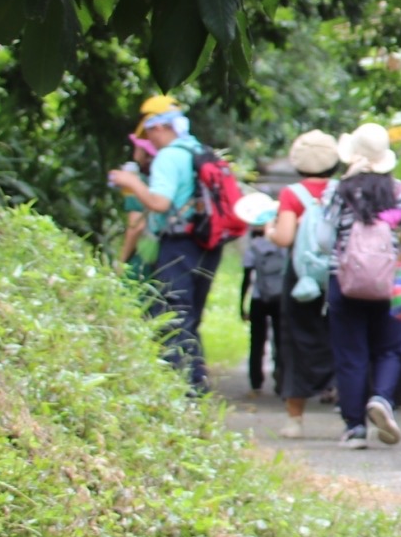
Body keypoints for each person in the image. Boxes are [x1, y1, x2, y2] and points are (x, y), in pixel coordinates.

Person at [108, 101, 223, 393]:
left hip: (179, 243)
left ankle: (183, 386)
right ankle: (196, 380)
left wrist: (131, 183)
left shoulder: (169, 157)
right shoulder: (197, 149)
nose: (149, 142)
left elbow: (160, 203)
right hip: (208, 242)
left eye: (149, 134)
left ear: (158, 126)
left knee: (174, 313)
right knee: (191, 313)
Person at [324, 123, 401, 449]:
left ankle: (354, 428)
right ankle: (382, 398)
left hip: (344, 281)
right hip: (389, 283)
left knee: (351, 353)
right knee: (389, 349)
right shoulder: (400, 192)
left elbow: (323, 240)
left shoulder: (339, 191)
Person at [269, 130, 341, 439]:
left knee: (294, 343)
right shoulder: (342, 190)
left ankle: (295, 419)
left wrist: (269, 229)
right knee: (340, 341)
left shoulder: (292, 194)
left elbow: (284, 237)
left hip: (301, 279)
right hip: (339, 275)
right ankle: (351, 417)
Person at [238, 196, 289, 395]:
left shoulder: (254, 247)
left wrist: (241, 305)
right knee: (280, 340)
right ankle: (282, 378)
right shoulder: (283, 244)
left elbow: (246, 277)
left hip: (258, 298)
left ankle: (256, 383)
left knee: (257, 341)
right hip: (280, 298)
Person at [116, 131, 160, 286]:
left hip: (143, 254)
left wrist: (121, 261)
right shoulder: (159, 179)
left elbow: (136, 225)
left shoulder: (136, 182)